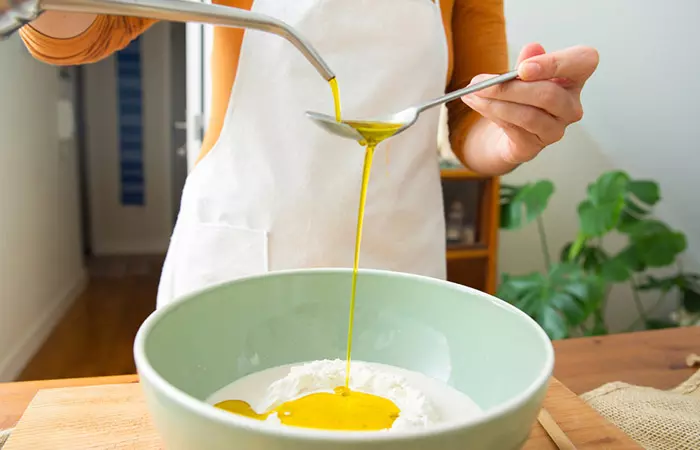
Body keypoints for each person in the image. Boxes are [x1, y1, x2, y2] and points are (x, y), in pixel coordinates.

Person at [20, 0, 598, 308]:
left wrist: (512, 134)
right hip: (242, 250)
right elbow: (76, 30)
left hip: (395, 258)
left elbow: (470, 116)